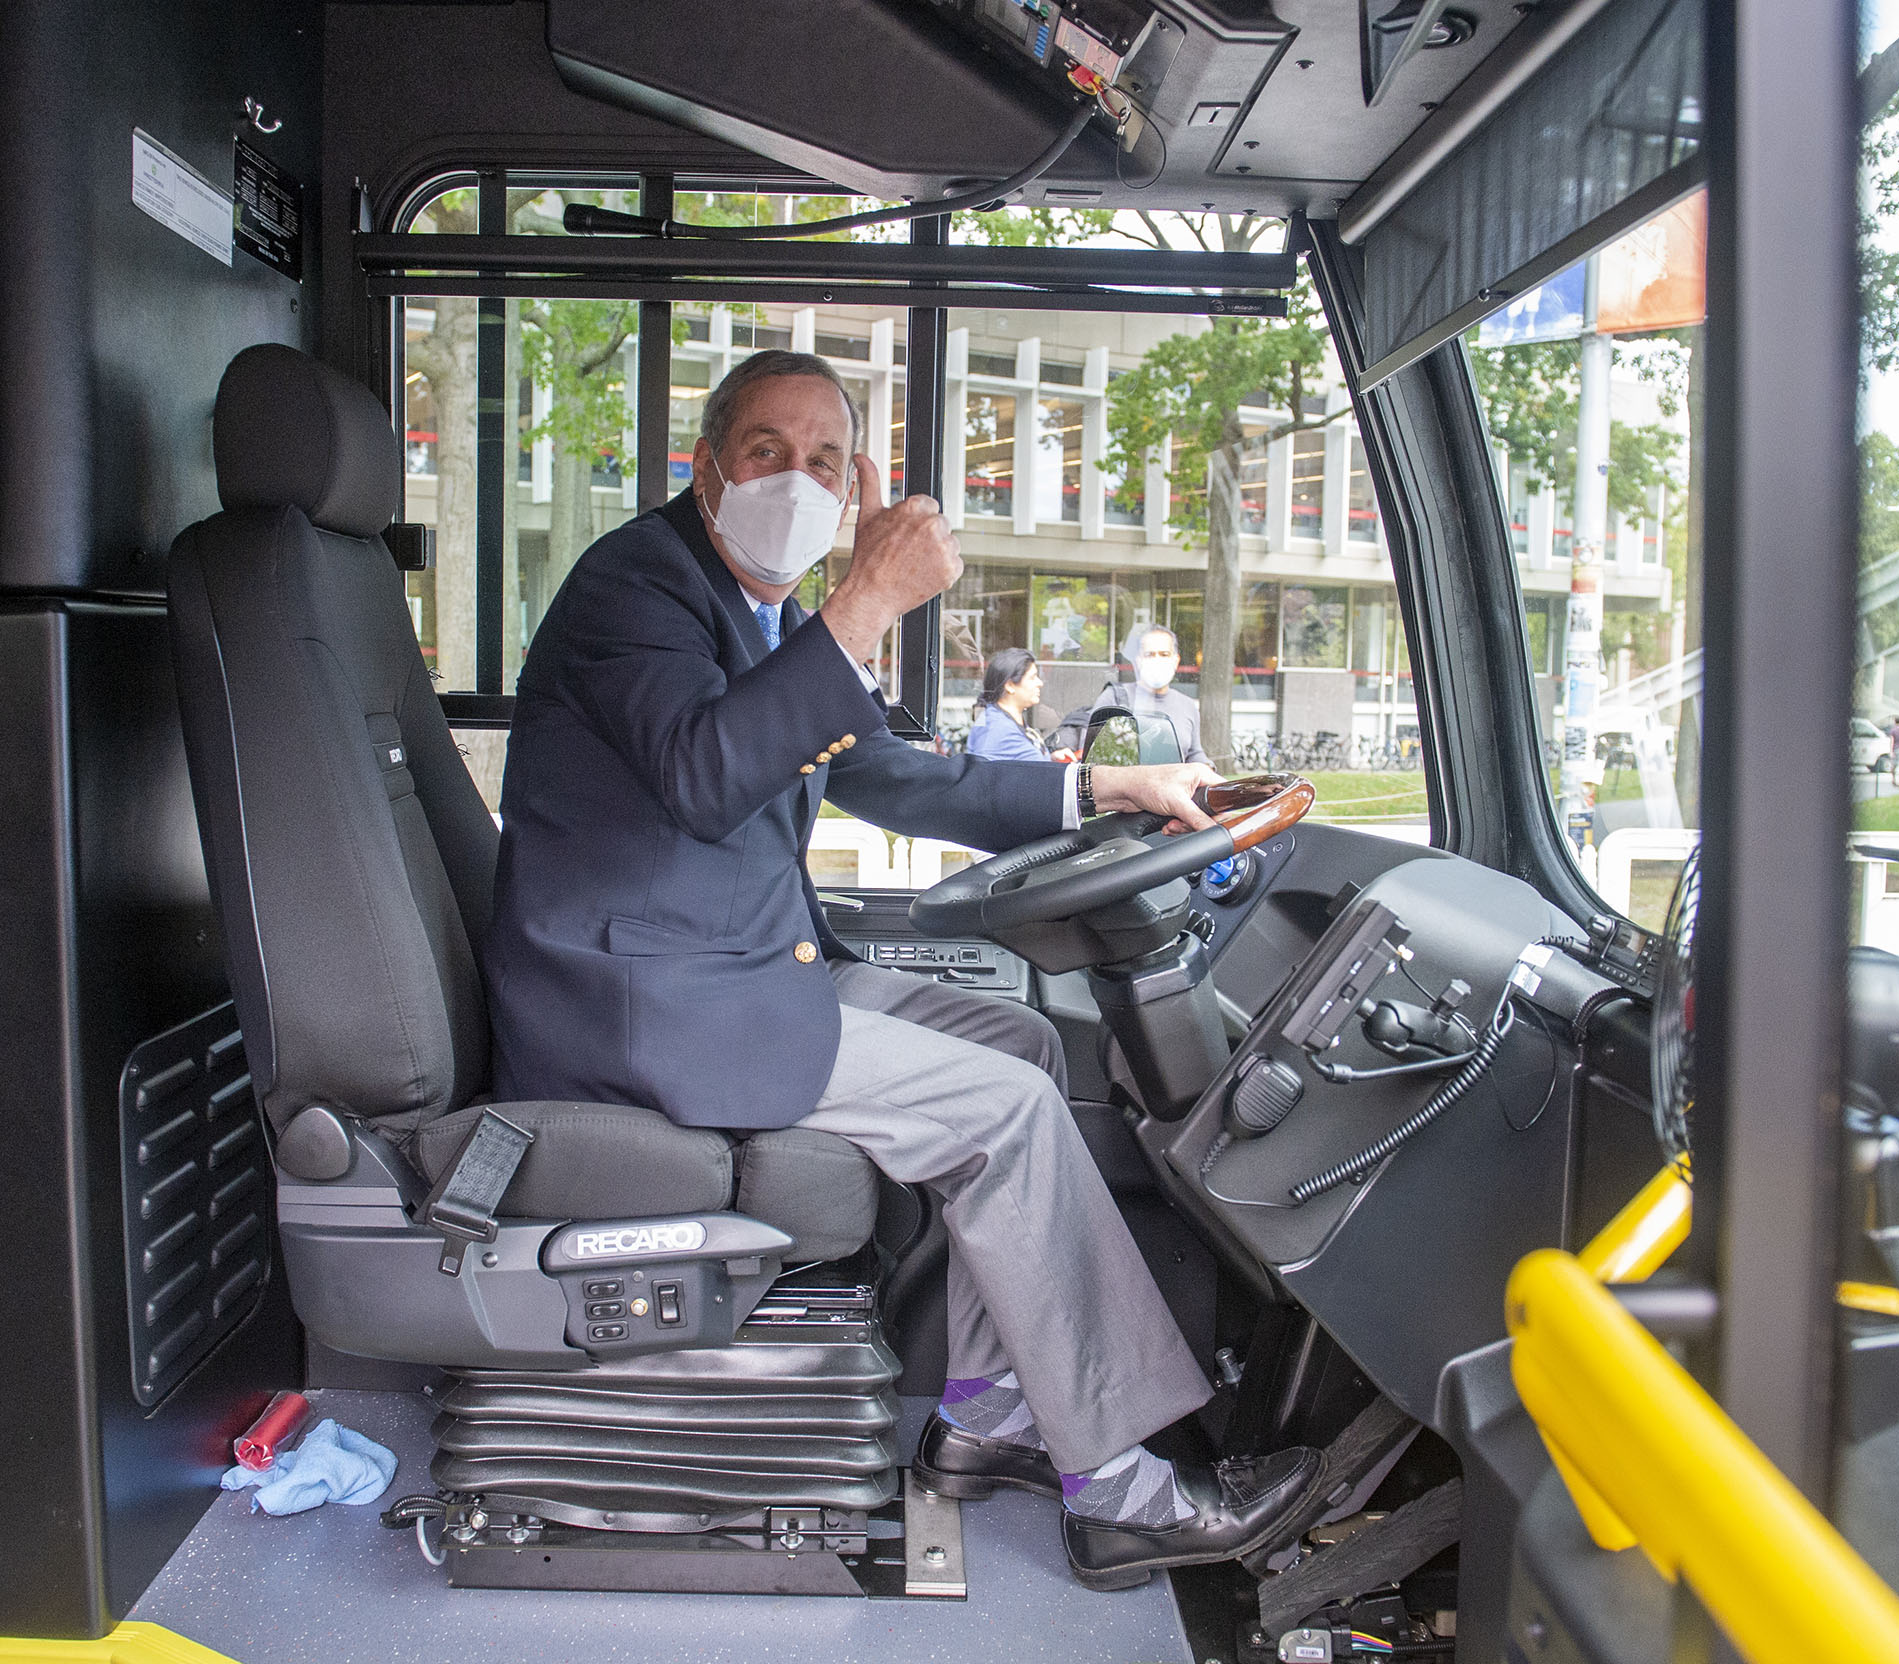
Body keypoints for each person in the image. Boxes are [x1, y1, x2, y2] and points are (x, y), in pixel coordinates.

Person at [484, 350, 1318, 1589]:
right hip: (642, 1004)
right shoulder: (636, 588)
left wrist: (1107, 786)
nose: (797, 478)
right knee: (1011, 1110)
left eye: (826, 459)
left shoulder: (763, 610)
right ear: (705, 464)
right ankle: (1118, 1488)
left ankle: (988, 1414)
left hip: (730, 967)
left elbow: (887, 770)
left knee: (1022, 1044)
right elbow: (708, 777)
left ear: (858, 474)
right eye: (767, 449)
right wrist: (864, 599)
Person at [1092, 624, 1212, 765]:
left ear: (1176, 660)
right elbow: (1091, 750)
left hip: (1172, 785)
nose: (1157, 660)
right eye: (1149, 654)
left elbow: (1194, 753)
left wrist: (1206, 767)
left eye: (1164, 654)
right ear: (1138, 660)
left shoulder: (1187, 705)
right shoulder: (1113, 697)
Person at [965, 648, 1072, 763]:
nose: (1040, 683)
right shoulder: (997, 730)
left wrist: (1050, 759)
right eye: (1032, 677)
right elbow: (984, 774)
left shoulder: (1003, 720)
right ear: (1010, 685)